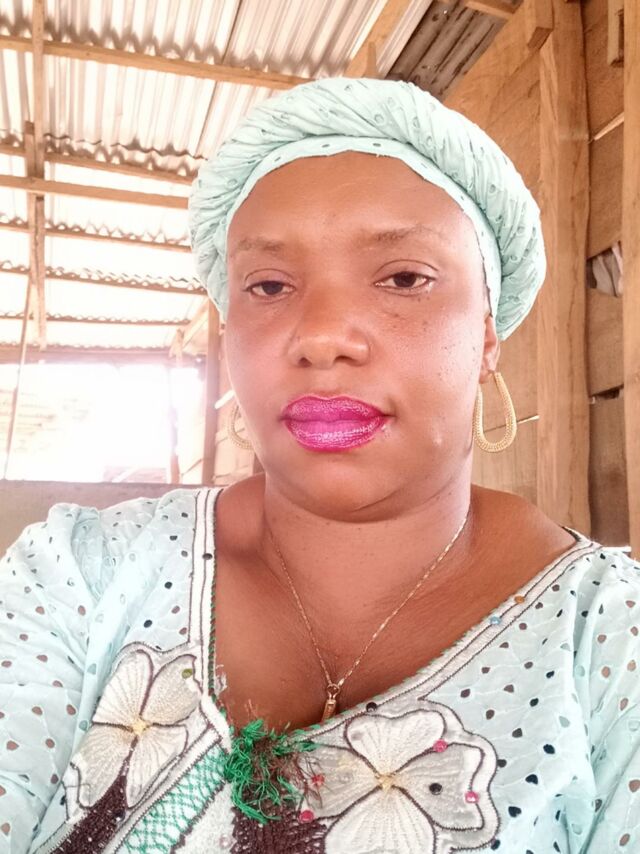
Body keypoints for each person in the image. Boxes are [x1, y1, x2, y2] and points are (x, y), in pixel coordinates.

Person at [1, 77, 638, 854]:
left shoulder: (609, 645)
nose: (322, 336)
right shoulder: (80, 577)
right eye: (268, 285)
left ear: (486, 332)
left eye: (404, 277)